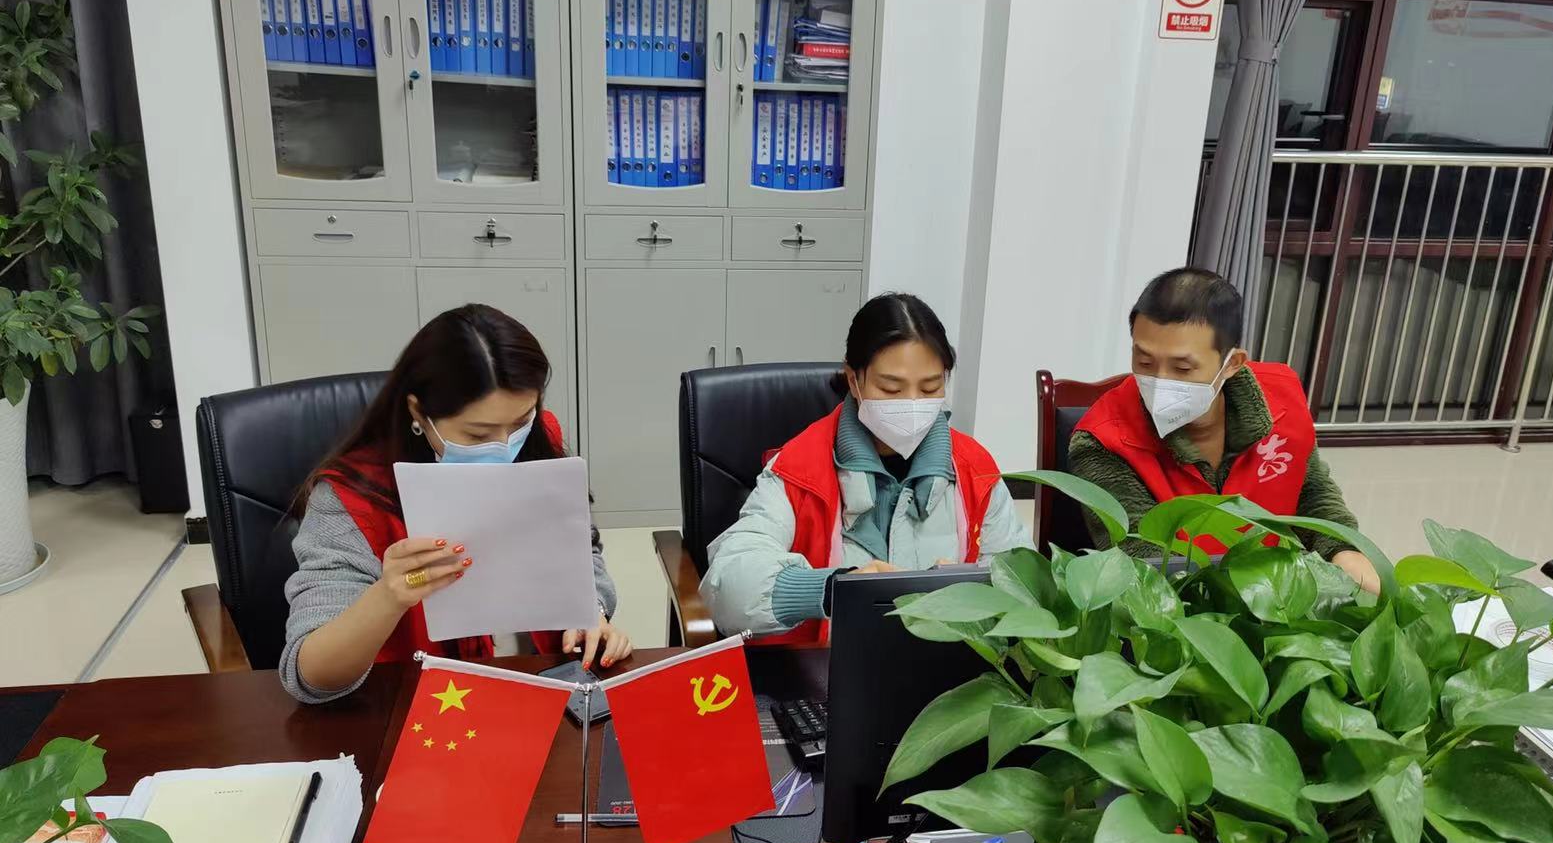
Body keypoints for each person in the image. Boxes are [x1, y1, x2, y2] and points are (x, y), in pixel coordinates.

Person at [280, 304, 632, 704]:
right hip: (414, 708)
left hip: (543, 689)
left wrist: (589, 611)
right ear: (418, 412)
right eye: (478, 435)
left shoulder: (538, 441)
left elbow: (581, 549)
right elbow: (311, 678)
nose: (505, 447)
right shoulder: (352, 499)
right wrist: (389, 595)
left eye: (520, 422)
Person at [702, 292, 1034, 638]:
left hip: (947, 667)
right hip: (827, 664)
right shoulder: (799, 470)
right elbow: (728, 587)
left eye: (930, 388)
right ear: (853, 380)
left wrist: (970, 594)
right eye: (890, 389)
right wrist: (830, 589)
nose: (912, 403)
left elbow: (1025, 585)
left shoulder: (974, 470)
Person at [1068, 267, 1380, 592]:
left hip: (1280, 591)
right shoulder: (1102, 441)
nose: (1160, 382)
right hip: (1180, 603)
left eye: (1182, 367)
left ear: (1231, 364)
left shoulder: (1282, 402)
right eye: (1144, 362)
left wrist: (1345, 552)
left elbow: (1313, 495)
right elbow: (1140, 560)